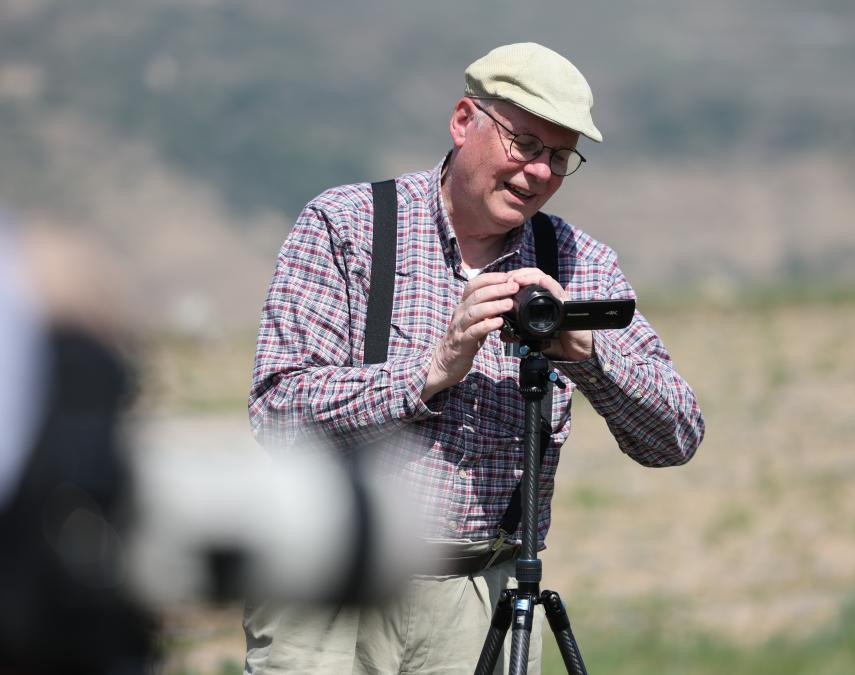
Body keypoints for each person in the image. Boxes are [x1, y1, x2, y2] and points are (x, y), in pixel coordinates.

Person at [245, 42, 705, 674]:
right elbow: (277, 412)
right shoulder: (348, 226)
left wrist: (588, 355)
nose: (539, 172)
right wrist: (432, 370)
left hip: (481, 595)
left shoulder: (576, 262)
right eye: (525, 143)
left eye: (559, 157)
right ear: (464, 121)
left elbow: (677, 435)